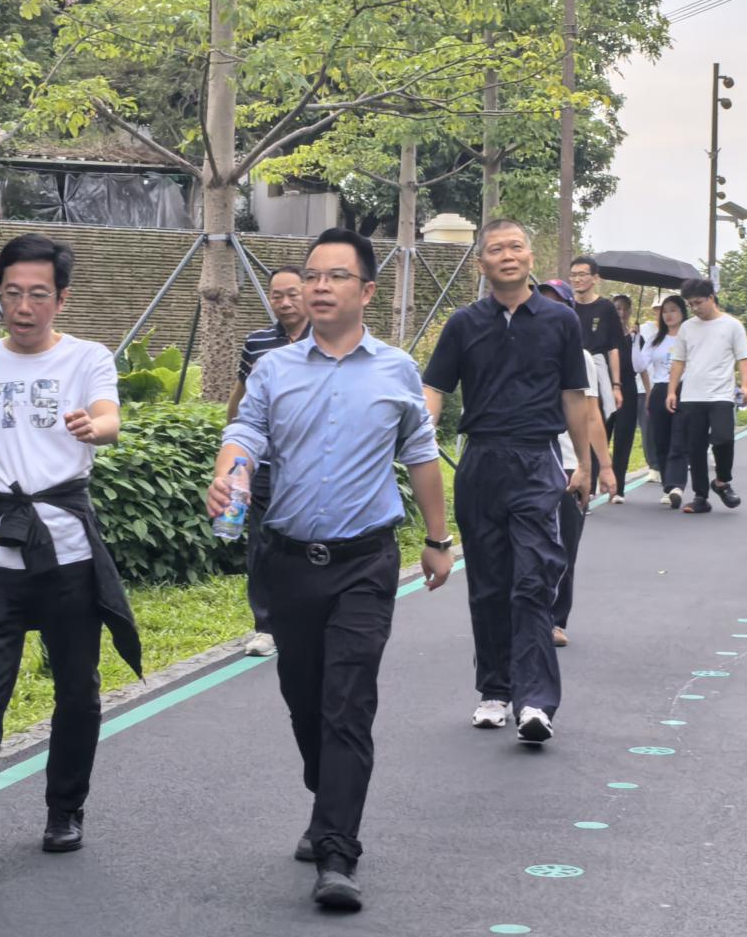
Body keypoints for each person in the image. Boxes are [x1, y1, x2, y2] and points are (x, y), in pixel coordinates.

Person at [210, 228, 452, 912]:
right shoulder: (275, 369)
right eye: (311, 275)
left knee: (348, 701)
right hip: (288, 560)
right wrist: (229, 472)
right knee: (304, 697)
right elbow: (245, 432)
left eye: (335, 276)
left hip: (364, 562)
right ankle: (327, 794)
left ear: (366, 291)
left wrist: (438, 539)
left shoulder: (396, 370)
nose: (317, 287)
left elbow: (421, 454)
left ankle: (338, 851)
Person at [0, 233, 142, 886]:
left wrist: (96, 428)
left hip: (65, 551)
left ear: (60, 299)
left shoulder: (87, 358)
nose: (23, 305)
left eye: (38, 293)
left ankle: (64, 808)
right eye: (12, 292)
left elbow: (108, 415)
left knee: (77, 688)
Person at [424, 219, 604, 745]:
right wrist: (418, 434)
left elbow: (576, 395)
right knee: (489, 583)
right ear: (482, 264)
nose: (507, 255)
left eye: (516, 247)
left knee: (533, 580)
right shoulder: (463, 323)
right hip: (480, 462)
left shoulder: (559, 321)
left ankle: (535, 703)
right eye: (496, 249)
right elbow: (435, 386)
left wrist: (587, 465)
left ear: (530, 257)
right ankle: (495, 693)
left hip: (535, 462)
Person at [226, 265, 310, 657]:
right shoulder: (258, 343)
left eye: (292, 293)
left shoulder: (327, 339)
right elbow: (239, 397)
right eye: (278, 295)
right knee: (262, 544)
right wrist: (233, 453)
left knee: (306, 540)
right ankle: (265, 625)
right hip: (265, 465)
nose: (285, 302)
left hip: (311, 466)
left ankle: (303, 614)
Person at [535, 279, 612, 649]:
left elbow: (592, 415)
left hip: (567, 463)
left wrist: (601, 466)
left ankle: (554, 619)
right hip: (528, 462)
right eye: (541, 302)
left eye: (556, 304)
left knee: (564, 546)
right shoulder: (516, 347)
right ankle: (522, 615)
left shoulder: (580, 357)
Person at [665, 278, 747, 514]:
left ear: (711, 298)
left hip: (721, 394)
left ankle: (722, 481)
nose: (695, 308)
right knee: (696, 447)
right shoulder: (687, 328)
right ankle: (700, 496)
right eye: (690, 304)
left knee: (724, 438)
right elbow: (678, 361)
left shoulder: (732, 325)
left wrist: (745, 386)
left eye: (698, 303)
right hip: (692, 394)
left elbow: (743, 357)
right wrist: (672, 391)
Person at [568, 257, 625, 492]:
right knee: (575, 424)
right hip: (571, 367)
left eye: (582, 274)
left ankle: (595, 478)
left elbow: (614, 347)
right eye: (573, 275)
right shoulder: (566, 306)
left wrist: (616, 385)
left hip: (597, 367)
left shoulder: (605, 307)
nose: (578, 279)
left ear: (595, 278)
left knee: (595, 421)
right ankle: (582, 482)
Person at [639, 295, 689, 508]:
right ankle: (668, 487)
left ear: (682, 313)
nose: (668, 314)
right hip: (660, 389)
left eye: (673, 310)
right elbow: (639, 364)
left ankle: (676, 485)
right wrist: (634, 341)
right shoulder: (655, 339)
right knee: (661, 439)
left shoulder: (690, 337)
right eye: (665, 311)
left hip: (685, 389)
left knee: (679, 437)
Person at [606, 293, 641, 503]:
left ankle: (618, 488)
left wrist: (635, 340)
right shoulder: (606, 333)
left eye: (624, 308)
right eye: (617, 308)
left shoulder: (636, 335)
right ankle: (592, 485)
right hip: (607, 385)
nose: (621, 312)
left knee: (624, 437)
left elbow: (641, 365)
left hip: (628, 386)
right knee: (601, 434)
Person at [635, 313, 659, 482]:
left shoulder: (680, 332)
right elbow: (639, 362)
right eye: (657, 309)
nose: (662, 312)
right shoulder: (643, 329)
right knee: (648, 429)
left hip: (669, 387)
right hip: (643, 388)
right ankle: (653, 466)